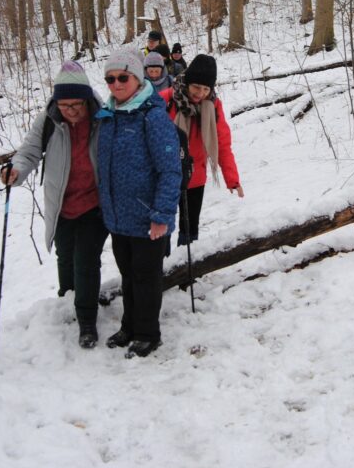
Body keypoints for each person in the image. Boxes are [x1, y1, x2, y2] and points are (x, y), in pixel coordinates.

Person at [1, 61, 108, 349]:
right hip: (61, 203)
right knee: (65, 255)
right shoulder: (48, 120)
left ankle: (86, 320)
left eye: (76, 104)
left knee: (86, 260)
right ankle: (68, 300)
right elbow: (29, 151)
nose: (71, 110)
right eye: (64, 104)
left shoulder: (102, 117)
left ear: (87, 99)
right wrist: (16, 171)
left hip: (94, 203)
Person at [95, 49, 181, 358]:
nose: (116, 84)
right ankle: (129, 326)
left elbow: (170, 169)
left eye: (122, 78)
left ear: (137, 78)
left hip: (148, 217)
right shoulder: (109, 116)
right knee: (129, 276)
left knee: (147, 278)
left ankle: (148, 332)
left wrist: (161, 214)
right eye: (110, 79)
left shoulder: (153, 116)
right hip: (119, 218)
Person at [159, 54, 243, 245]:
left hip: (194, 175)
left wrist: (232, 179)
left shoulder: (213, 106)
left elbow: (222, 143)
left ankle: (187, 269)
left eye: (206, 89)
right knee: (162, 227)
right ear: (187, 82)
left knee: (190, 228)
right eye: (196, 87)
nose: (200, 93)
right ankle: (161, 268)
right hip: (165, 176)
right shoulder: (165, 100)